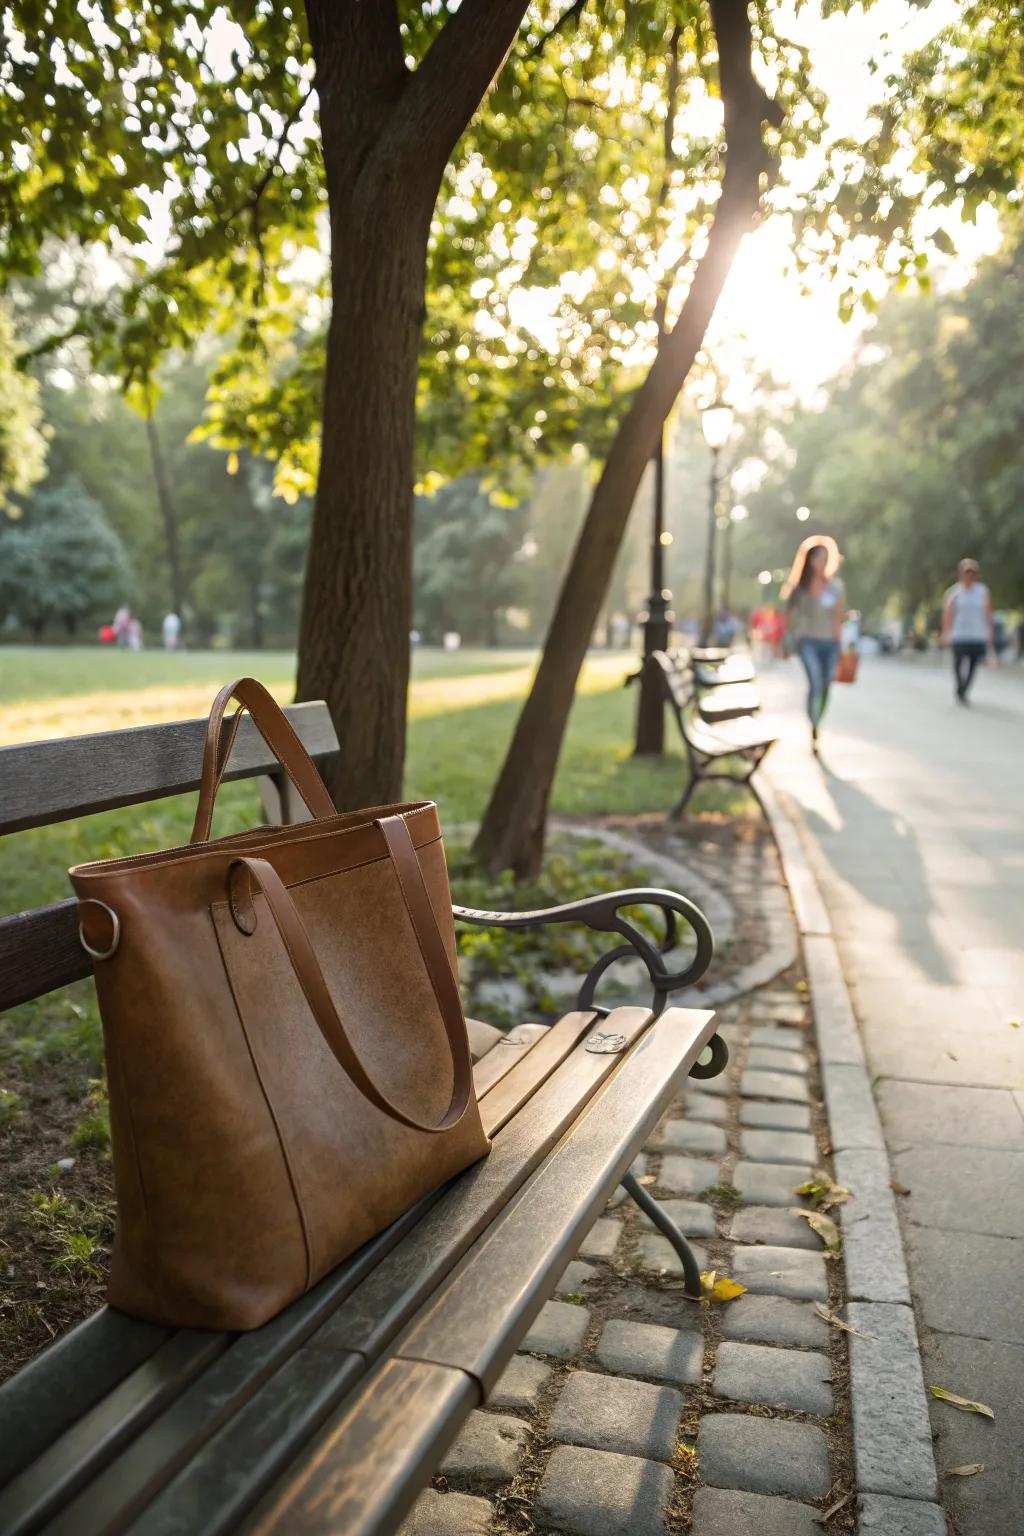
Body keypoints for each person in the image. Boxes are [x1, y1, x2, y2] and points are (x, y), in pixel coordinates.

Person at [782, 535, 845, 753]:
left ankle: (817, 721)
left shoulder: (835, 587)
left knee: (826, 685)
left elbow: (838, 618)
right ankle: (813, 723)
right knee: (815, 683)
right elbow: (788, 616)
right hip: (807, 640)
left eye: (827, 558)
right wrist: (785, 641)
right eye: (820, 558)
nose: (823, 562)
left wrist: (841, 646)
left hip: (829, 643)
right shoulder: (800, 588)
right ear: (810, 560)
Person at [941, 558, 993, 703]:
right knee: (958, 662)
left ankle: (965, 689)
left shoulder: (982, 591)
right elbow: (948, 615)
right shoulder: (954, 593)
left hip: (977, 634)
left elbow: (988, 613)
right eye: (966, 573)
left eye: (972, 573)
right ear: (961, 574)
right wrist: (945, 633)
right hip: (959, 634)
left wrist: (989, 633)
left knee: (973, 664)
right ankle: (960, 686)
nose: (969, 576)